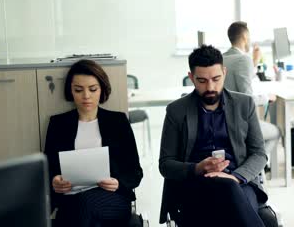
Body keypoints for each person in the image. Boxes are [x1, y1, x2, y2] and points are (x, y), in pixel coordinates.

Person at [159, 45, 268, 227]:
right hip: (195, 185)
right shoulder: (176, 111)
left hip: (238, 180)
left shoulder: (244, 104)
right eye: (202, 81)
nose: (210, 87)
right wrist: (198, 168)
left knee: (229, 189)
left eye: (216, 79)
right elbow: (166, 164)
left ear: (224, 73)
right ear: (191, 77)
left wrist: (235, 177)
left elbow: (259, 153)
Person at [44, 59, 143, 227]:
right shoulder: (58, 124)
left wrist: (117, 182)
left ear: (101, 89)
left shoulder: (117, 122)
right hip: (70, 199)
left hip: (112, 199)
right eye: (78, 90)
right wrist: (54, 180)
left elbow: (134, 172)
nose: (86, 96)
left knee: (84, 205)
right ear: (71, 91)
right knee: (86, 213)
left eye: (93, 89)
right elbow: (47, 169)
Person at [223, 21, 276, 105]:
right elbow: (247, 100)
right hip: (239, 114)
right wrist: (267, 97)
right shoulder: (243, 59)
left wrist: (254, 62)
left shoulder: (222, 57)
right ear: (245, 37)